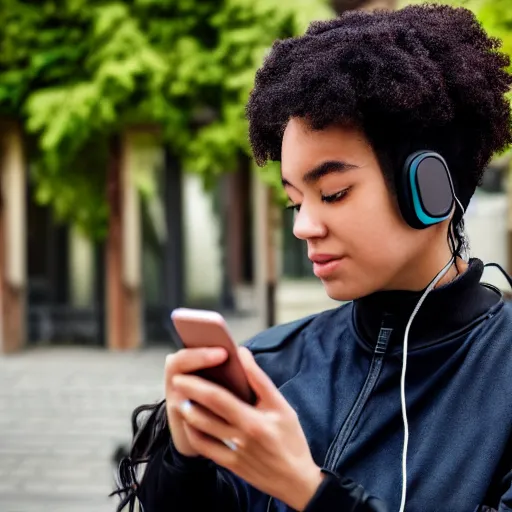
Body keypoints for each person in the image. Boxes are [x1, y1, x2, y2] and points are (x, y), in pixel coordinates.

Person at [111, 4, 512, 512]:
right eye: (295, 201)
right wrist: (186, 462)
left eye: (334, 192)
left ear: (430, 189)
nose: (303, 226)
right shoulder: (270, 365)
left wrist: (309, 492)